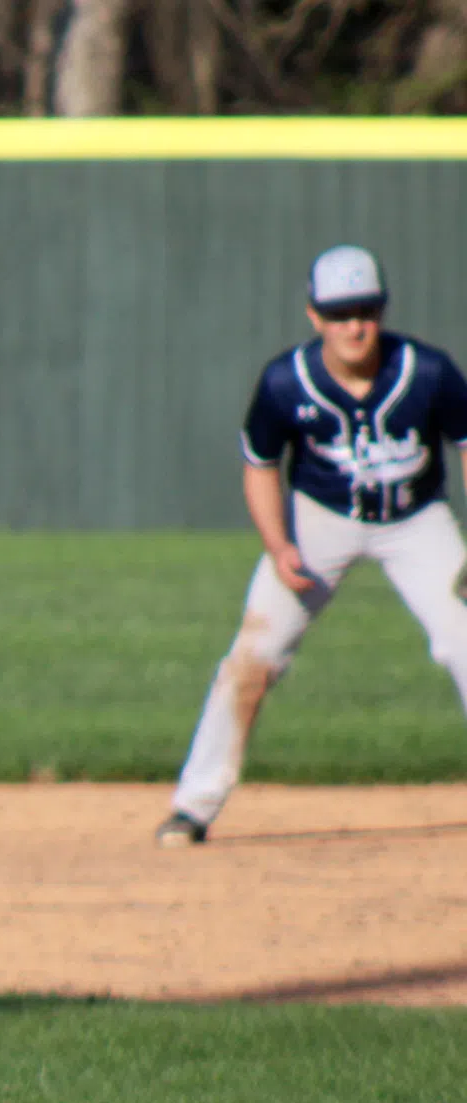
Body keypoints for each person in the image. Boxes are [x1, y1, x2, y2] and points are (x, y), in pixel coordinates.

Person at [157, 245, 467, 846]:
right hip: (319, 520)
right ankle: (195, 805)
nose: (354, 325)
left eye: (365, 310)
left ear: (382, 311)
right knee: (252, 657)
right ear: (314, 316)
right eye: (339, 312)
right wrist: (279, 546)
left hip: (416, 520)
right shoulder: (283, 382)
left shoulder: (427, 372)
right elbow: (260, 465)